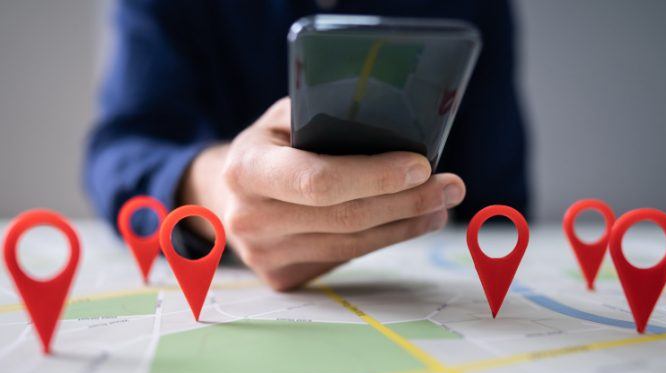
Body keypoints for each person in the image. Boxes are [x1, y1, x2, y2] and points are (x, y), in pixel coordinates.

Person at [84, 0, 527, 291]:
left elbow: (500, 205)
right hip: (232, 277)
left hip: (432, 288)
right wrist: (214, 191)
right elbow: (120, 152)